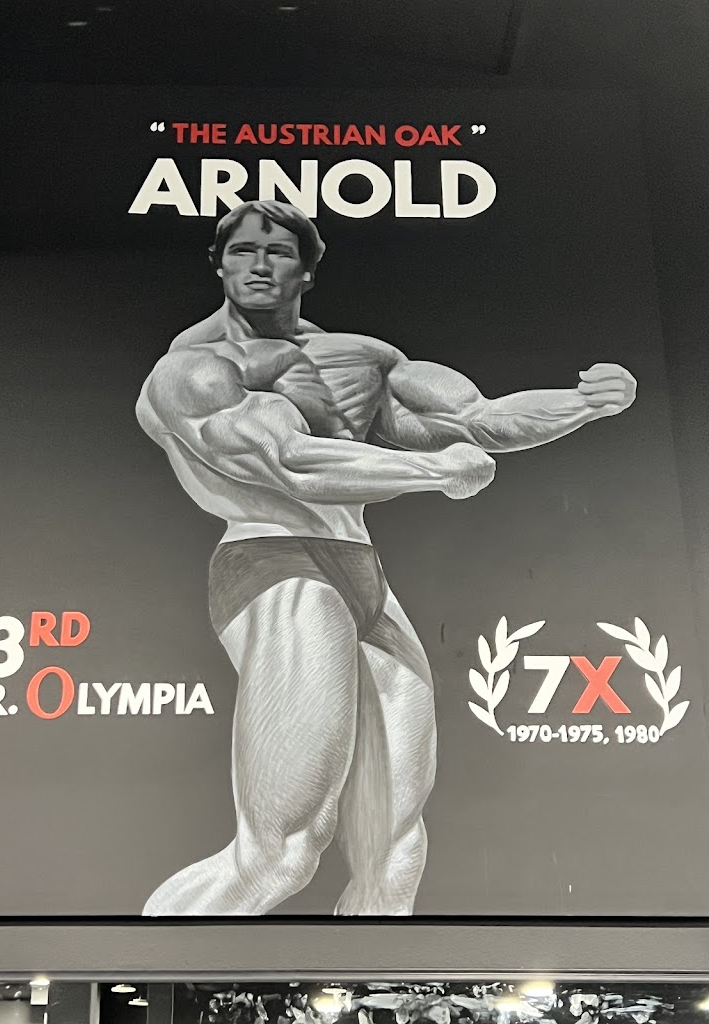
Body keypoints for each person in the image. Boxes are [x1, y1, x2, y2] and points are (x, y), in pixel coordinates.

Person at [136, 200, 636, 915]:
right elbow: (288, 462)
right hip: (276, 565)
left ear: (307, 270)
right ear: (218, 264)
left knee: (393, 850)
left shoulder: (362, 359)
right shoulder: (192, 371)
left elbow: (477, 419)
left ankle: (370, 979)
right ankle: (146, 973)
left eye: (277, 252)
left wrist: (584, 404)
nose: (259, 265)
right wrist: (433, 472)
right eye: (242, 251)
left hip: (362, 572)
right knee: (280, 855)